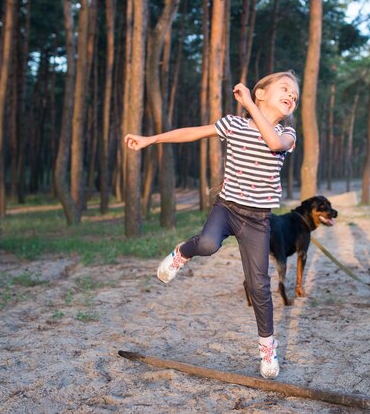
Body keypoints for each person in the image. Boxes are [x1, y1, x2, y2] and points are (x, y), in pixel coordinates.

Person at [124, 71, 299, 379]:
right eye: (285, 89)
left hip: (258, 221)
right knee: (207, 244)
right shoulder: (233, 124)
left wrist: (250, 105)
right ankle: (182, 252)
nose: (291, 97)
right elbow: (192, 132)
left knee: (259, 286)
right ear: (261, 94)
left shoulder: (287, 133)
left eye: (294, 96)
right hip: (227, 208)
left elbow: (272, 143)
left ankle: (267, 349)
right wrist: (152, 139)